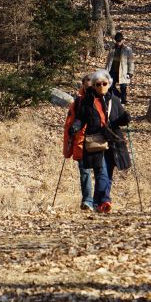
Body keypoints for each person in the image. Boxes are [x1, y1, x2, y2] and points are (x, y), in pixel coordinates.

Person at [68, 70, 131, 213]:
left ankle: (99, 201)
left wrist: (125, 118)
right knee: (101, 171)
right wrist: (75, 127)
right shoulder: (87, 101)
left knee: (108, 173)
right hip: (96, 141)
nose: (101, 86)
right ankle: (104, 201)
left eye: (104, 83)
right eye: (98, 84)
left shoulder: (114, 100)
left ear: (109, 84)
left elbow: (119, 120)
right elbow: (81, 118)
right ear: (94, 86)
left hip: (114, 141)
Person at [63, 73, 95, 210]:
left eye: (91, 86)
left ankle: (100, 201)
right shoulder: (78, 101)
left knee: (101, 172)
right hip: (81, 142)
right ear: (83, 85)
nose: (89, 89)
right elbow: (70, 122)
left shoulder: (103, 99)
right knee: (85, 172)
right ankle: (88, 200)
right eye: (86, 86)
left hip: (99, 140)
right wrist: (70, 141)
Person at [105, 32, 135, 105]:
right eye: (117, 41)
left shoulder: (128, 50)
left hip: (123, 72)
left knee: (123, 87)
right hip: (112, 71)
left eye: (119, 41)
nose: (118, 42)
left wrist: (130, 72)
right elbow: (108, 61)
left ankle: (123, 101)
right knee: (110, 85)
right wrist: (106, 71)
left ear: (122, 40)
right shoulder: (112, 48)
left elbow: (131, 62)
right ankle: (119, 97)